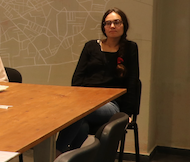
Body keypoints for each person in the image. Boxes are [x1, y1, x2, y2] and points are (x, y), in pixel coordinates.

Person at [56, 8, 140, 152]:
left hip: (111, 104)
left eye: (116, 22)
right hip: (84, 101)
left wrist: (126, 114)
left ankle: (57, 153)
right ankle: (73, 161)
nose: (112, 26)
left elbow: (132, 82)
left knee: (78, 112)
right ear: (103, 27)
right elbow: (77, 78)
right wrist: (79, 98)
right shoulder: (91, 46)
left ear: (124, 25)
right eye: (108, 23)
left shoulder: (130, 48)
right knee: (82, 123)